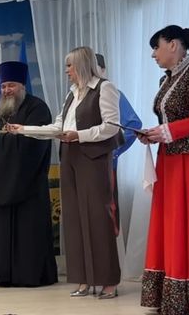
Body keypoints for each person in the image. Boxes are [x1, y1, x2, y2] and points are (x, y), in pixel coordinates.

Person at [8, 46, 122, 299]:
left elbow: (112, 126)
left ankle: (108, 281)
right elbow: (58, 126)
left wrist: (79, 135)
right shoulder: (72, 93)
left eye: (69, 66)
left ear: (81, 65)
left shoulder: (104, 88)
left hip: (92, 157)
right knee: (74, 219)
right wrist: (24, 129)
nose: (67, 71)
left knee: (97, 218)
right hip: (69, 155)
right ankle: (83, 279)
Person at [138, 25, 189, 315]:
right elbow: (169, 122)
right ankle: (174, 298)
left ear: (173, 44)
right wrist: (154, 134)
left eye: (156, 47)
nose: (153, 55)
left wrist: (168, 131)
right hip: (169, 159)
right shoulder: (167, 78)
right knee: (172, 223)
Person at [0, 62, 57, 287]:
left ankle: (25, 275)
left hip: (26, 183)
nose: (6, 90)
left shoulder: (37, 108)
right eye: (3, 86)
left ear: (22, 86)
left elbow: (35, 144)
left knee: (26, 231)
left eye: (11, 85)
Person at [96, 53, 143, 227]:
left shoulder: (112, 93)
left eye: (94, 68)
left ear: (103, 70)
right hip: (81, 165)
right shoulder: (76, 96)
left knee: (106, 216)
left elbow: (133, 124)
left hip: (105, 165)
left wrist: (114, 151)